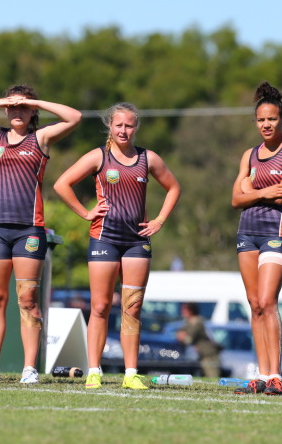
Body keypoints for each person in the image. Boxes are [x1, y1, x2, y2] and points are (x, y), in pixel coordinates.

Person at [0, 85, 81, 384]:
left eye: (23, 107)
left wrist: (34, 101)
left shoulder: (42, 137)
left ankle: (29, 369)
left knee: (28, 301)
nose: (17, 111)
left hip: (28, 230)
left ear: (33, 110)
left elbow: (74, 117)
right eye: (12, 107)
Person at [53, 102, 180, 390]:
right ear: (110, 125)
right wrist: (86, 213)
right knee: (99, 306)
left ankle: (130, 373)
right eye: (119, 125)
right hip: (104, 238)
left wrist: (159, 220)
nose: (124, 130)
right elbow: (62, 184)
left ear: (136, 128)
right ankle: (94, 371)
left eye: (129, 125)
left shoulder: (149, 159)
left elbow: (173, 187)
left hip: (136, 241)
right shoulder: (99, 156)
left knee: (132, 307)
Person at [230, 82, 282, 395]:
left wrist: (252, 191)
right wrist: (261, 192)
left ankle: (275, 375)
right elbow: (235, 198)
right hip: (247, 233)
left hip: (276, 233)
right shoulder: (249, 154)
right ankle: (260, 375)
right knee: (254, 305)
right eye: (261, 120)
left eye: (272, 119)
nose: (266, 124)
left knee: (267, 301)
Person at [176, 302, 222, 378]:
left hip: (208, 354)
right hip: (201, 354)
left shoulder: (197, 322)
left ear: (190, 311)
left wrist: (183, 337)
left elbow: (189, 338)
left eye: (184, 310)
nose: (182, 312)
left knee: (212, 376)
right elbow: (180, 332)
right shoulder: (189, 322)